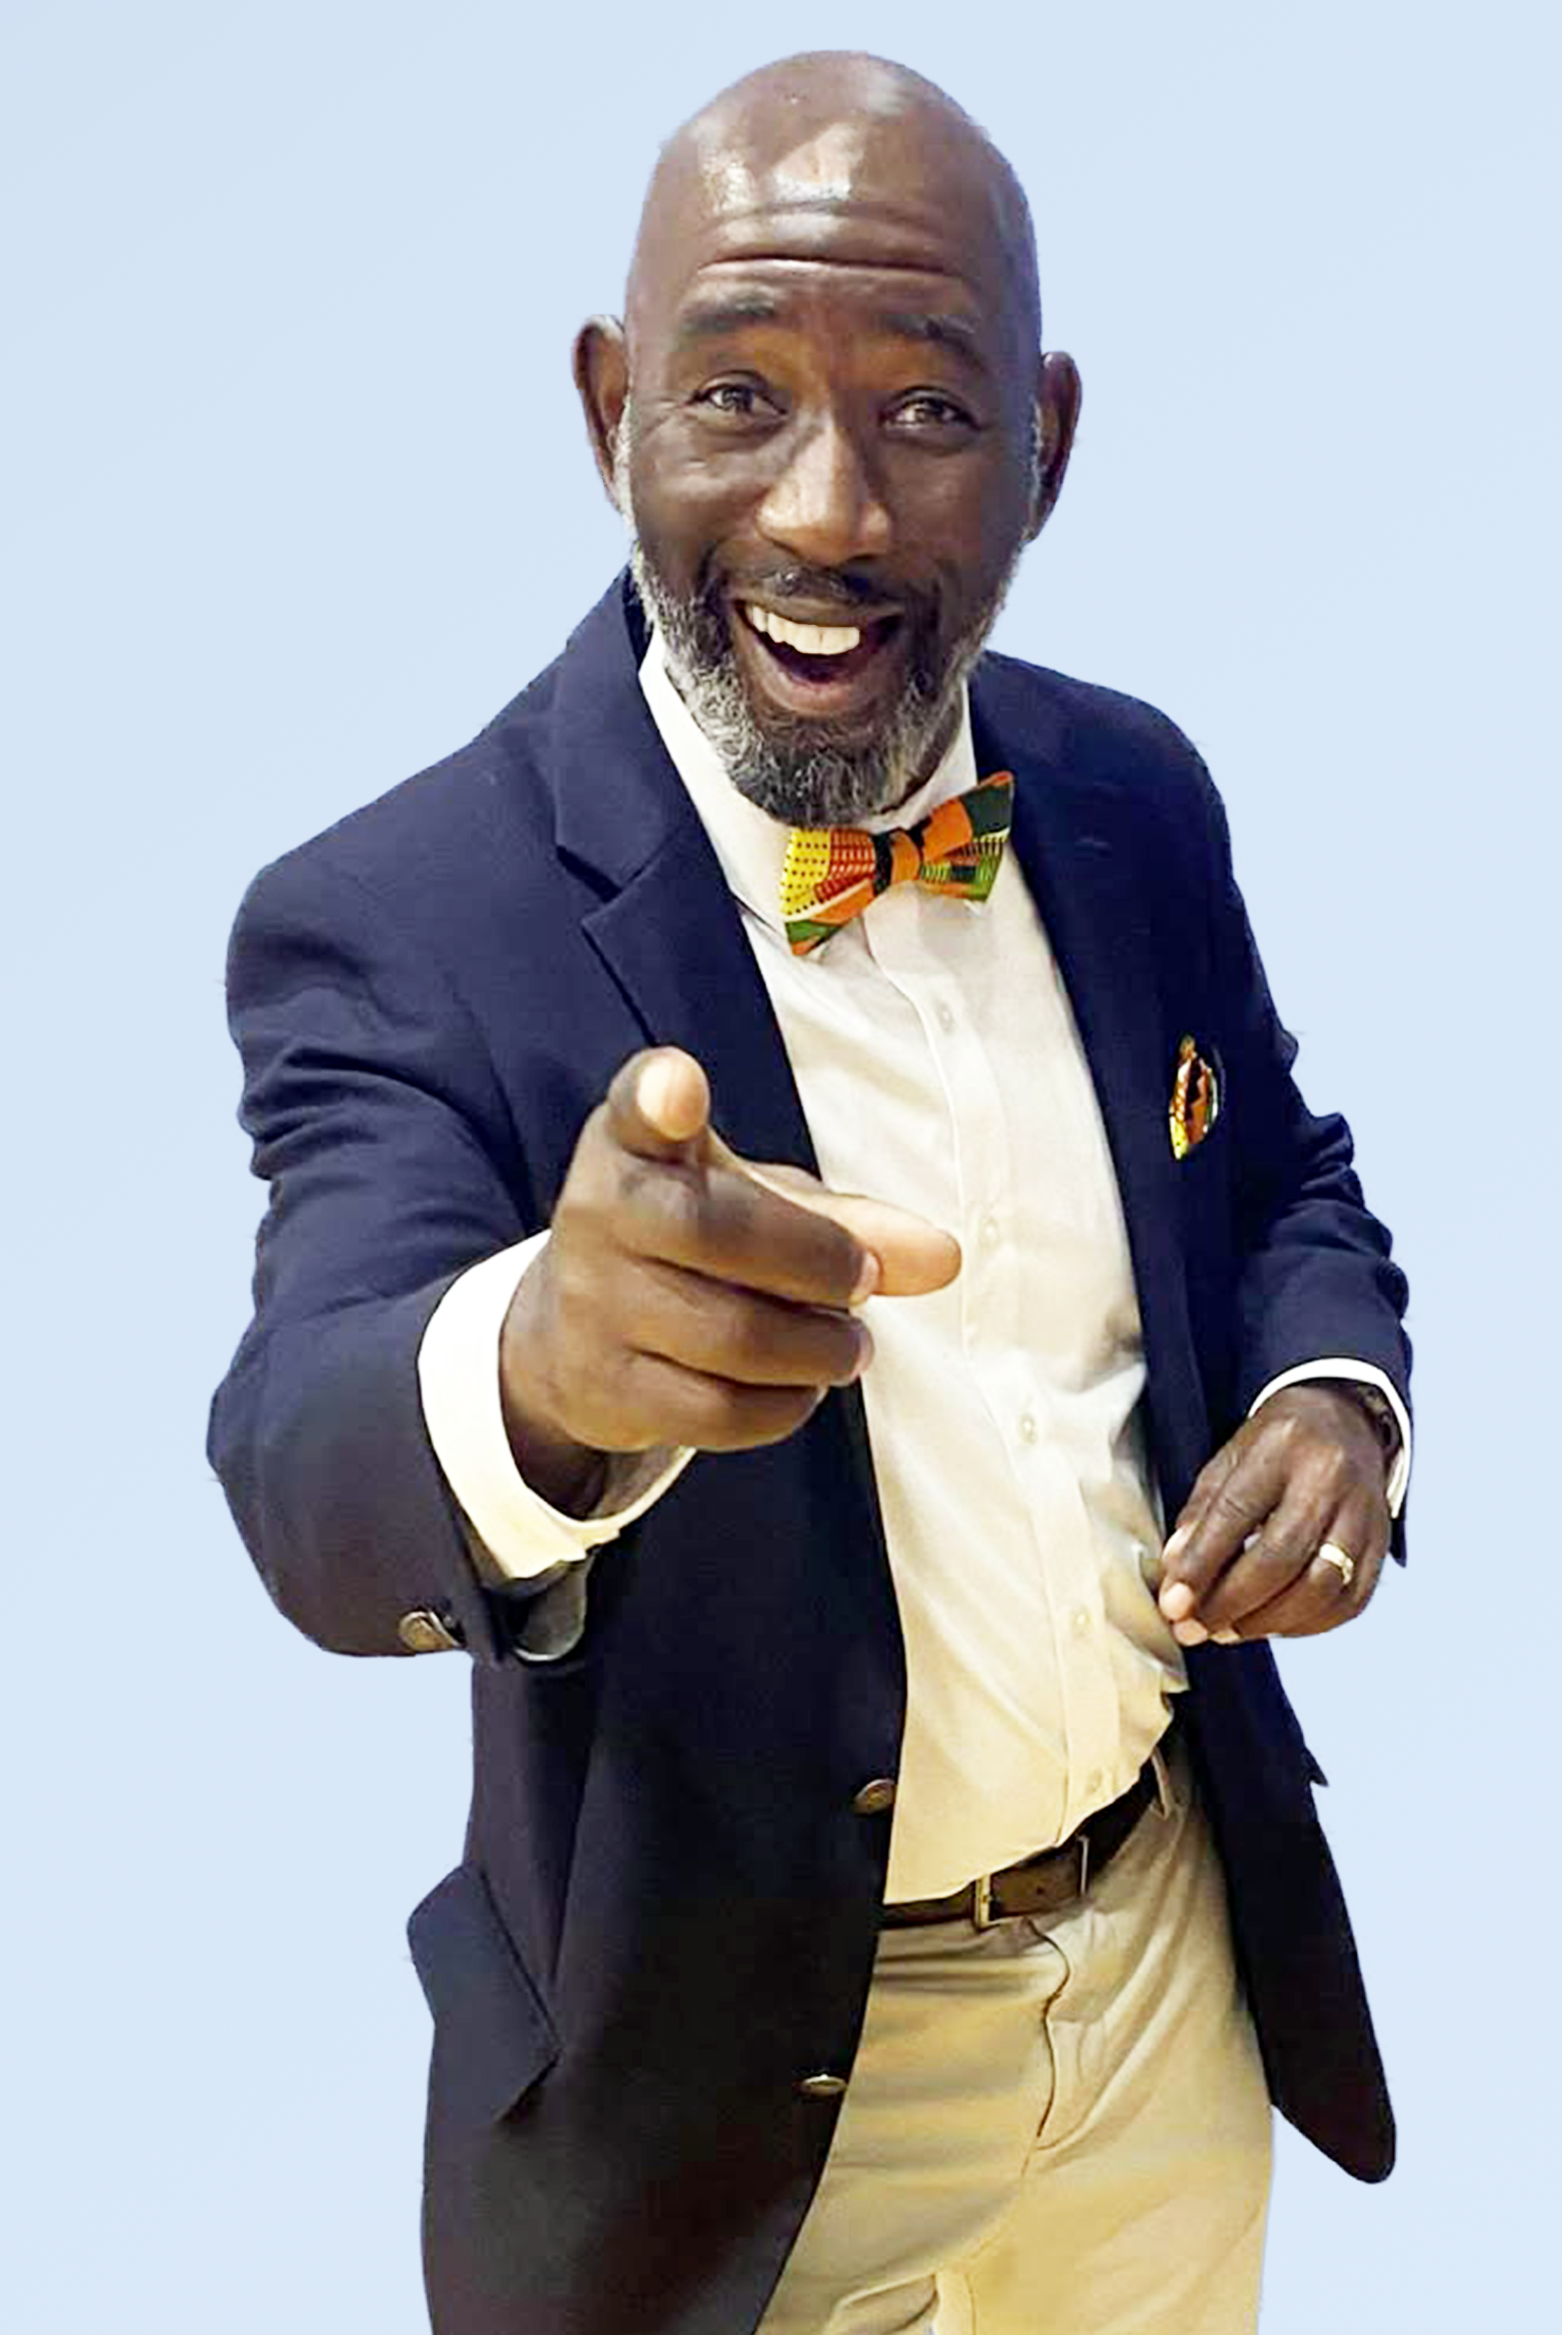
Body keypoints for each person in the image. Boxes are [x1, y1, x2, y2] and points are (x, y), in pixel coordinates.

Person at [209, 48, 1412, 2335]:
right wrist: (542, 1372)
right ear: (608, 409)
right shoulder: (399, 912)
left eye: (930, 416)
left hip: (1170, 1985)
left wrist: (1337, 1403)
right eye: (737, 395)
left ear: (1046, 440)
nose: (830, 514)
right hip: (744, 2108)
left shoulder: (1132, 792)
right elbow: (301, 1458)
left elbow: (1283, 1179)